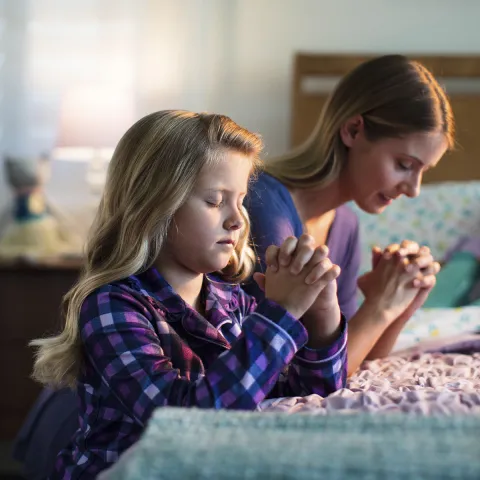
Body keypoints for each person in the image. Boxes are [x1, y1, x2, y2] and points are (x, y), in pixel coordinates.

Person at [29, 110, 356, 478]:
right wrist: (279, 315)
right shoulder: (112, 307)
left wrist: (322, 316)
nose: (237, 219)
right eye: (216, 201)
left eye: (241, 200)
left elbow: (310, 397)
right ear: (156, 205)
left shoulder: (234, 302)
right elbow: (184, 422)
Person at [244, 54, 454, 375]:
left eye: (422, 171)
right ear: (354, 130)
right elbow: (305, 373)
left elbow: (355, 361)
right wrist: (379, 306)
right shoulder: (264, 207)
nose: (413, 189)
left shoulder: (345, 224)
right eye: (404, 165)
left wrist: (400, 303)